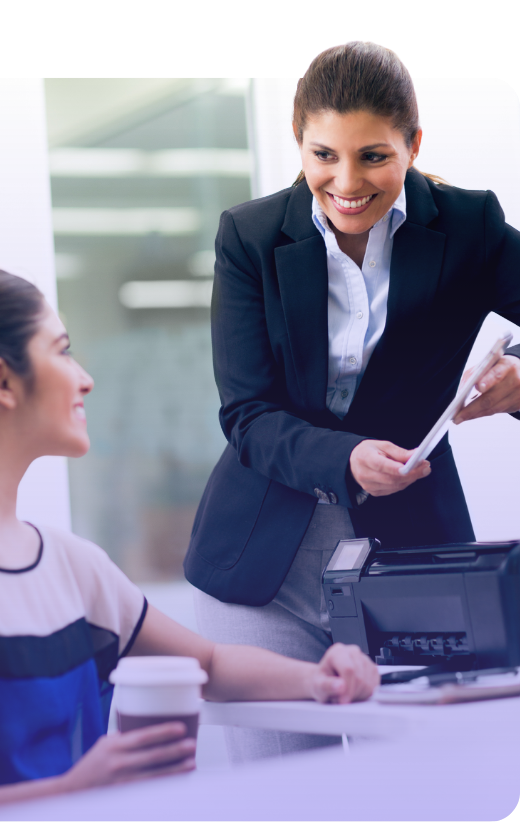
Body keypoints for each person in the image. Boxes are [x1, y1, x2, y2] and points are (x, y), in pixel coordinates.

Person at [0, 267, 379, 817]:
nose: (83, 378)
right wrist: (67, 793)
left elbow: (207, 666)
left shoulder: (72, 565)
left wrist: (318, 679)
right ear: (3, 382)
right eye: (60, 351)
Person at [184, 41, 525, 764]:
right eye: (323, 156)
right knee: (279, 802)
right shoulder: (249, 237)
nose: (345, 182)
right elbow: (245, 413)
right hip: (262, 570)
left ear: (414, 144)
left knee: (428, 791)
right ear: (299, 145)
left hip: (409, 565)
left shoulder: (471, 226)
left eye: (374, 156)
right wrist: (347, 458)